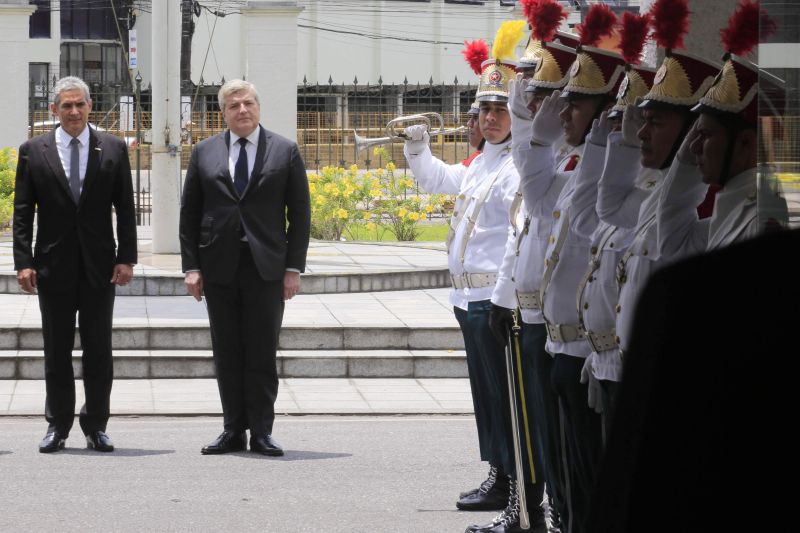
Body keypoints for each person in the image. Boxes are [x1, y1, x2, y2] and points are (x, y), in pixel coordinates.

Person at [404, 20, 525, 519]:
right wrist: (416, 145)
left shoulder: (517, 165)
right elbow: (436, 179)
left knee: (505, 399)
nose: (491, 117)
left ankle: (513, 481)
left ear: (517, 113)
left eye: (500, 109)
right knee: (485, 396)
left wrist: (500, 297)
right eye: (485, 110)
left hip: (493, 301)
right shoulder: (481, 163)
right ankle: (497, 472)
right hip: (465, 300)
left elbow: (517, 237)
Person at [179, 79, 310, 457]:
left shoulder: (284, 151)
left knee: (261, 351)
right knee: (227, 351)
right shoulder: (205, 152)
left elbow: (299, 215)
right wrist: (191, 267)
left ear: (258, 106)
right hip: (218, 267)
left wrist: (293, 268)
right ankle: (233, 429)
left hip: (265, 268)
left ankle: (263, 432)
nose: (243, 110)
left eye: (249, 103)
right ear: (223, 112)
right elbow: (190, 214)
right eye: (234, 105)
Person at [484, 3, 576, 532]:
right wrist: (501, 295)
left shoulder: (574, 164)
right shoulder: (541, 160)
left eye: (546, 97)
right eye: (533, 97)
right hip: (524, 310)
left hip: (556, 319)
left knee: (556, 430)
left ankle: (556, 513)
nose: (534, 107)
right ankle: (526, 509)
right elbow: (521, 237)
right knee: (528, 424)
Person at [13, 75, 137, 453]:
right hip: (53, 265)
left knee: (99, 349)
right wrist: (24, 262)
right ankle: (57, 425)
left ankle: (96, 425)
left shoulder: (113, 148)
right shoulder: (34, 150)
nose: (73, 111)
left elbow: (126, 210)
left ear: (89, 107)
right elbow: (22, 213)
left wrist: (126, 258)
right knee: (56, 349)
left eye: (79, 104)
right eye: (66, 105)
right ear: (54, 110)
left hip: (100, 266)